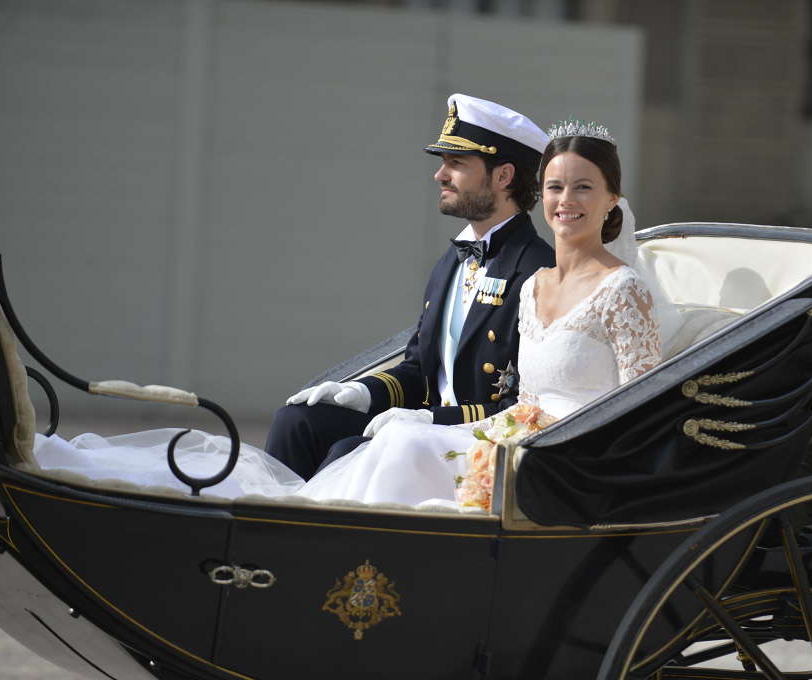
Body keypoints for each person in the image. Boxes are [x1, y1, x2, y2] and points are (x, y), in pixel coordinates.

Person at [297, 122, 663, 506]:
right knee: (398, 438)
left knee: (407, 447)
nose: (566, 200)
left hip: (573, 458)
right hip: (514, 441)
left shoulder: (623, 289)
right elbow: (524, 404)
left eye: (583, 187)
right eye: (555, 187)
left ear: (612, 199)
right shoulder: (535, 284)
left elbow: (639, 411)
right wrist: (438, 424)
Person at [264, 94, 554, 480]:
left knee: (347, 452)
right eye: (443, 163)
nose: (440, 175)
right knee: (297, 422)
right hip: (426, 426)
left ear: (503, 177)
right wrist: (363, 392)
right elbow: (419, 369)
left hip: (481, 440)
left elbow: (526, 406)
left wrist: (428, 418)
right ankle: (271, 528)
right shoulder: (451, 261)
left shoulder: (537, 270)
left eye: (456, 164)